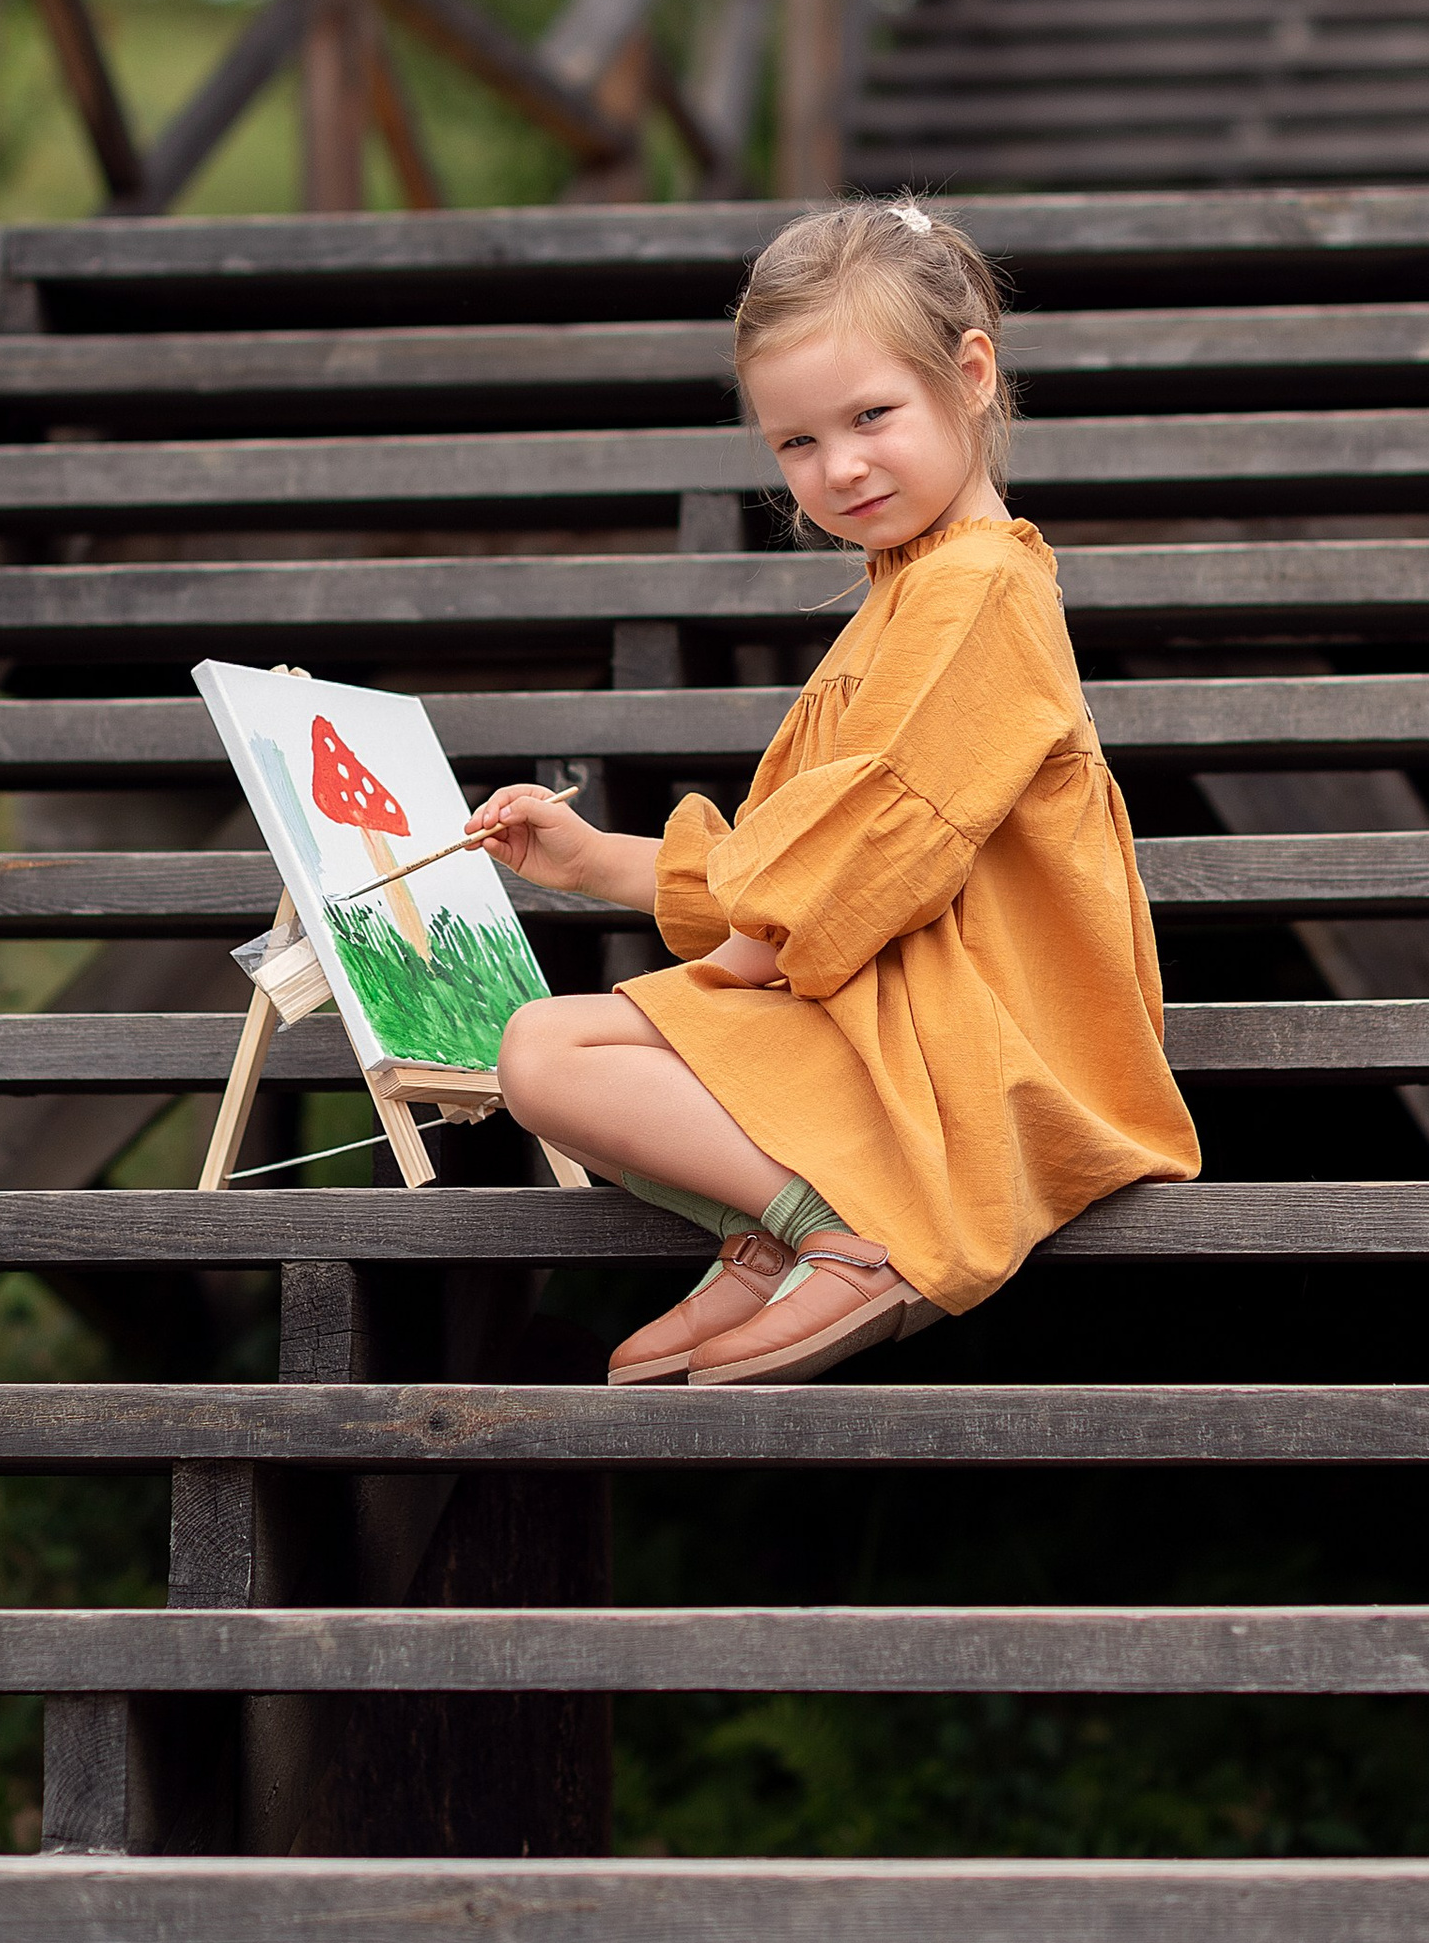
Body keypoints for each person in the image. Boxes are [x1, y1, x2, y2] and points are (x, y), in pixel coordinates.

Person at [467, 195, 1201, 1388]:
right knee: (547, 1047)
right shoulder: (910, 589)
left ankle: (845, 1239)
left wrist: (746, 956)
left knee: (548, 1049)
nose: (839, 465)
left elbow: (879, 845)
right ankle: (778, 1229)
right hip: (879, 997)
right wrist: (599, 858)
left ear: (969, 374)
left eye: (872, 415)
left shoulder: (978, 591)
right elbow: (814, 844)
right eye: (796, 442)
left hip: (965, 1040)